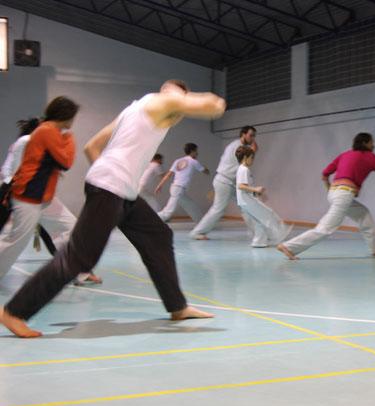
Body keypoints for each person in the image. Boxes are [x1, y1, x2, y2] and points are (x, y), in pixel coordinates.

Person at [0, 80, 226, 338]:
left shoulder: (133, 110)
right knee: (79, 257)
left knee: (159, 236)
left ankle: (177, 307)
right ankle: (14, 312)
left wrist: (112, 174)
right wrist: (181, 98)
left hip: (122, 191)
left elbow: (91, 147)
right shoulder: (164, 100)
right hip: (110, 189)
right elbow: (215, 106)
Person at [0, 104, 100, 285]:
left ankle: (78, 271)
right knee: (17, 240)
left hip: (44, 196)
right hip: (24, 194)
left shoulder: (48, 136)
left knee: (70, 227)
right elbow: (63, 162)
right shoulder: (32, 139)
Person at [278, 132, 375, 260]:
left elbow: (325, 173)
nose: (374, 146)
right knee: (326, 228)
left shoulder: (345, 154)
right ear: (364, 143)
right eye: (371, 143)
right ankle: (288, 246)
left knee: (363, 214)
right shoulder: (368, 156)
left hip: (335, 193)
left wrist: (329, 188)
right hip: (344, 195)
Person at [189, 126, 256, 240]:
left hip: (229, 182)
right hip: (225, 181)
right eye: (251, 135)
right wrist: (253, 152)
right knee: (218, 209)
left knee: (246, 206)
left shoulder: (238, 146)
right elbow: (242, 166)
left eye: (254, 136)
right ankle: (197, 232)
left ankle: (256, 234)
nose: (252, 138)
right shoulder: (237, 147)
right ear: (243, 134)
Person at [235, 145, 291, 247]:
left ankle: (259, 242)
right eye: (251, 157)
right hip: (247, 200)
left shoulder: (241, 169)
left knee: (260, 220)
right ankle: (280, 234)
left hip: (244, 201)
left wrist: (255, 192)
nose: (252, 160)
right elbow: (240, 186)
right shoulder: (244, 169)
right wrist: (255, 189)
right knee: (268, 214)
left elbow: (244, 186)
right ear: (245, 157)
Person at [156, 143, 209, 222]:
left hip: (177, 189)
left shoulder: (178, 161)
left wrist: (159, 185)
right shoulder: (194, 162)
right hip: (179, 190)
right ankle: (151, 220)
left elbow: (168, 174)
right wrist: (207, 170)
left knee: (191, 206)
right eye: (196, 151)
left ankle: (201, 222)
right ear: (192, 151)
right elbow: (206, 171)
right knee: (168, 212)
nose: (197, 153)